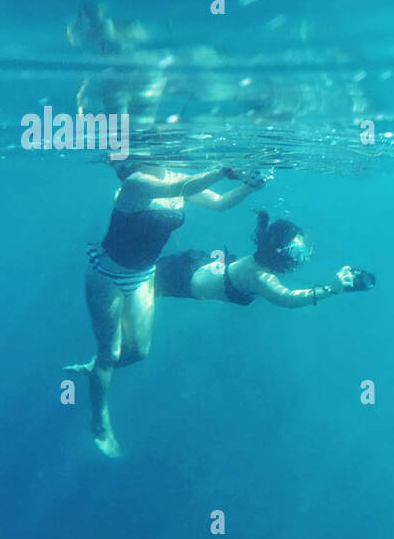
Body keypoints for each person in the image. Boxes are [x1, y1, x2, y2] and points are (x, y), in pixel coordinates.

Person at [68, 160, 269, 456]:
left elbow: (221, 203)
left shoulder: (178, 178)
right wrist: (220, 171)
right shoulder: (136, 183)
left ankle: (96, 367)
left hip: (142, 277)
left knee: (138, 352)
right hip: (107, 275)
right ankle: (99, 421)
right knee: (110, 351)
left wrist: (248, 188)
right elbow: (179, 188)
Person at [154, 209, 375, 308]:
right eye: (299, 252)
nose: (306, 256)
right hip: (178, 280)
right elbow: (287, 299)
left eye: (305, 248)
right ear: (280, 254)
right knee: (133, 281)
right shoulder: (261, 277)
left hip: (200, 265)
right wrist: (330, 290)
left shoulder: (264, 261)